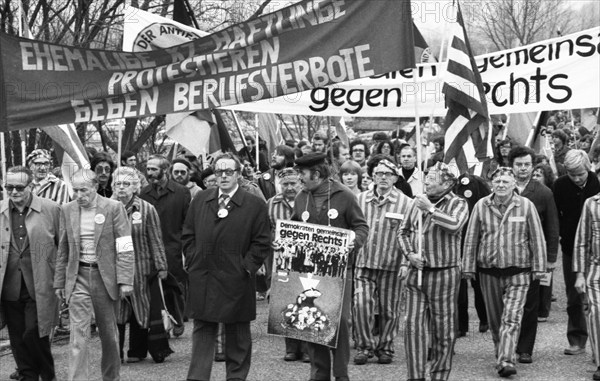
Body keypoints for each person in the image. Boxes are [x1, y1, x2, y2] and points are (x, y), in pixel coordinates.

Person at [183, 153, 270, 381]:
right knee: (203, 328)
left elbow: (262, 242)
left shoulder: (254, 204)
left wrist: (246, 267)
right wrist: (194, 259)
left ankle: (236, 377)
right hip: (204, 274)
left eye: (228, 172)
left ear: (238, 175)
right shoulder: (201, 199)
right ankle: (197, 378)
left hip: (236, 277)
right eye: (218, 172)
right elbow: (188, 235)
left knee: (238, 332)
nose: (223, 176)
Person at [463, 167, 547, 378]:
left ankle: (506, 360)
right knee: (495, 320)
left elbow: (537, 238)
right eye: (497, 181)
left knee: (512, 317)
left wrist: (539, 267)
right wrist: (468, 267)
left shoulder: (526, 206)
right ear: (492, 184)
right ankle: (502, 353)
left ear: (513, 185)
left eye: (505, 182)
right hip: (488, 271)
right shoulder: (482, 206)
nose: (501, 185)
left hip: (519, 271)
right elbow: (472, 238)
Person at [291, 153, 369, 381]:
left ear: (316, 174)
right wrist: (284, 242)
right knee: (315, 321)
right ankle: (319, 374)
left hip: (339, 271)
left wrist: (351, 242)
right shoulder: (300, 197)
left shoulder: (344, 195)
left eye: (302, 173)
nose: (299, 178)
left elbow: (361, 227)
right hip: (309, 272)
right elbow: (294, 227)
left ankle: (341, 374)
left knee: (340, 323)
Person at [53, 169, 134, 381]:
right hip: (78, 276)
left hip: (105, 278)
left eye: (84, 190)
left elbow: (124, 246)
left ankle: (111, 377)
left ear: (96, 188)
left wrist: (125, 280)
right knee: (78, 336)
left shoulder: (114, 208)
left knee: (109, 336)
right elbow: (63, 248)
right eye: (76, 190)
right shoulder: (67, 209)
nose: (79, 195)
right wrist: (60, 282)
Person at [399, 162, 468, 380]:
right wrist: (410, 255)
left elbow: (455, 225)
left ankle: (439, 375)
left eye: (432, 177)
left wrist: (429, 208)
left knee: (443, 330)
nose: (426, 180)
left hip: (444, 274)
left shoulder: (459, 203)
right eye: (426, 176)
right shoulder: (415, 201)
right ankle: (416, 375)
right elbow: (403, 232)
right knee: (413, 328)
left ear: (447, 183)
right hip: (416, 274)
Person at [0, 166, 60, 381]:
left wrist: (60, 279)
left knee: (34, 332)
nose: (13, 192)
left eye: (19, 187)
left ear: (31, 185)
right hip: (10, 284)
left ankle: (47, 373)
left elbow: (63, 246)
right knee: (17, 337)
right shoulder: (1, 210)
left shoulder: (51, 209)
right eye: (9, 187)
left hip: (40, 283)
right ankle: (27, 375)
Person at [354, 159, 412, 365]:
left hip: (392, 265)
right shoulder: (360, 199)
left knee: (390, 309)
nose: (383, 178)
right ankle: (363, 346)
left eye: (388, 174)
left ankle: (386, 347)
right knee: (361, 305)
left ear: (396, 178)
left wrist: (406, 262)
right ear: (373, 176)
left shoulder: (406, 203)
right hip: (364, 262)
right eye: (379, 173)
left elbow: (411, 234)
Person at [508, 146, 560, 364]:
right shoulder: (502, 188)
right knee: (507, 305)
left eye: (527, 165)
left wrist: (549, 259)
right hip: (506, 255)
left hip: (532, 258)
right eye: (519, 164)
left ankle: (525, 348)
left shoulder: (543, 192)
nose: (522, 169)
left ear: (532, 165)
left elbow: (552, 227)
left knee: (530, 305)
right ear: (512, 166)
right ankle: (505, 344)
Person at [112, 166, 169, 363]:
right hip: (114, 267)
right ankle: (114, 353)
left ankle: (137, 350)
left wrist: (161, 266)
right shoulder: (106, 207)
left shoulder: (147, 209)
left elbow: (156, 238)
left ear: (135, 186)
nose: (121, 188)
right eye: (118, 183)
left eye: (126, 184)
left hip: (141, 267)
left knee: (140, 308)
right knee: (116, 310)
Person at [554, 150, 600, 355]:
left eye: (580, 174)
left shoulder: (596, 184)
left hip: (596, 249)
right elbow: (555, 216)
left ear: (588, 167)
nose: (577, 178)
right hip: (571, 247)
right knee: (574, 295)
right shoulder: (560, 185)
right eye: (572, 174)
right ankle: (577, 338)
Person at [140, 155, 191, 337]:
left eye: (154, 169)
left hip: (174, 246)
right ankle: (159, 323)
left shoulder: (182, 192)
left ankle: (177, 318)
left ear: (165, 170)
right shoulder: (143, 193)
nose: (150, 173)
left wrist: (186, 248)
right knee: (154, 287)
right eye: (148, 169)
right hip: (150, 248)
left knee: (174, 286)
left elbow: (188, 222)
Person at [266, 168, 309, 363]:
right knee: (287, 302)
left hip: (308, 260)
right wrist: (271, 242)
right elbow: (265, 230)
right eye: (285, 184)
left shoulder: (309, 200)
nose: (289, 187)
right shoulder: (271, 204)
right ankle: (291, 348)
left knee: (307, 300)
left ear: (300, 183)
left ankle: (308, 347)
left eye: (293, 183)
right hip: (282, 260)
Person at [454, 172, 490, 337]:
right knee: (459, 285)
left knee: (479, 283)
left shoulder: (478, 184)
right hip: (457, 240)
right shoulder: (453, 183)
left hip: (477, 239)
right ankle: (461, 325)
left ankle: (485, 318)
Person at [573, 192, 600, 380]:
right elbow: (582, 241)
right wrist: (580, 274)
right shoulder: (592, 203)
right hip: (596, 269)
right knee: (596, 313)